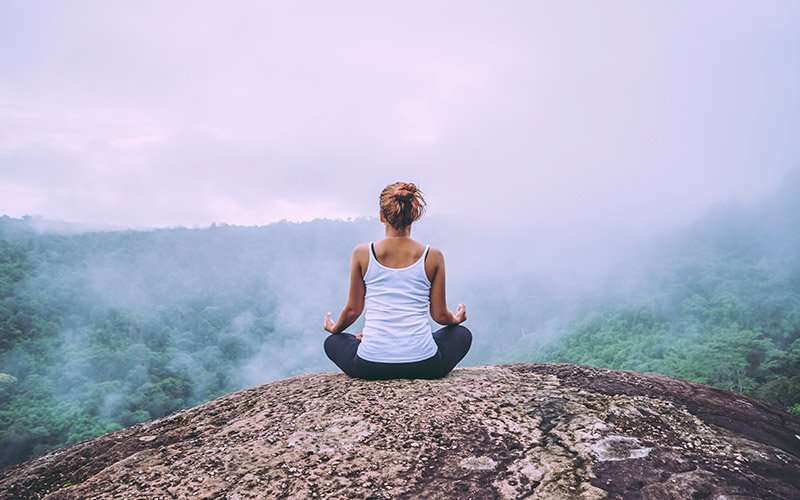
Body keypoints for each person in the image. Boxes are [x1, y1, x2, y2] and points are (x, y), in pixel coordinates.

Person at [322, 181, 472, 380]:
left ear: (382, 216)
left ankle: (371, 342)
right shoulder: (433, 256)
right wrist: (456, 319)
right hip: (426, 365)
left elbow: (352, 310)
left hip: (370, 366)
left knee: (333, 342)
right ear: (414, 216)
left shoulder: (362, 253)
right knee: (462, 334)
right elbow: (439, 315)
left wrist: (334, 328)